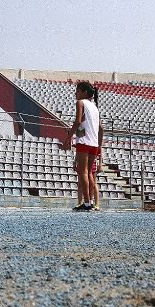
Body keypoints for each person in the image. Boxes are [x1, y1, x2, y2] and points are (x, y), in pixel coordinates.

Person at [66, 81, 101, 212]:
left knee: (83, 172)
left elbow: (78, 121)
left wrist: (68, 137)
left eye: (78, 91)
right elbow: (94, 126)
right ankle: (90, 201)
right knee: (90, 173)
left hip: (84, 142)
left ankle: (86, 203)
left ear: (84, 92)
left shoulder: (80, 103)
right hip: (94, 143)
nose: (76, 93)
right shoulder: (94, 107)